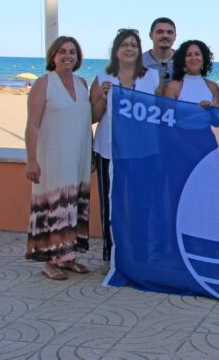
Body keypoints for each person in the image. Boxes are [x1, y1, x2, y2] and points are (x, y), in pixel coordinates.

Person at [90, 29, 161, 267]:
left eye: (134, 45)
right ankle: (112, 253)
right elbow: (93, 115)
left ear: (139, 51)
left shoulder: (152, 77)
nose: (129, 49)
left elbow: (162, 113)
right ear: (116, 50)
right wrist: (101, 96)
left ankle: (139, 252)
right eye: (124, 45)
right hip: (109, 150)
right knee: (109, 203)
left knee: (141, 202)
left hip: (142, 152)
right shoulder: (102, 77)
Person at [25, 36, 92, 280]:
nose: (68, 56)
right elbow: (32, 125)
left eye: (72, 52)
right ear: (53, 56)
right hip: (52, 156)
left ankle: (68, 257)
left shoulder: (83, 83)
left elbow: (86, 120)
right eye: (62, 52)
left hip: (79, 156)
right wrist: (31, 160)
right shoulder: (43, 84)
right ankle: (49, 262)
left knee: (73, 203)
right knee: (53, 205)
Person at [164, 40, 219, 107]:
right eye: (188, 55)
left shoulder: (213, 87)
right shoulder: (172, 87)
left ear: (204, 58)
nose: (193, 58)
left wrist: (210, 108)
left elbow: (218, 115)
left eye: (197, 54)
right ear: (182, 60)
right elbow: (168, 115)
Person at [142, 17, 177, 84]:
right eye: (160, 32)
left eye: (169, 32)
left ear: (175, 36)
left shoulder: (185, 62)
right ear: (150, 35)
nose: (165, 35)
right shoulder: (139, 63)